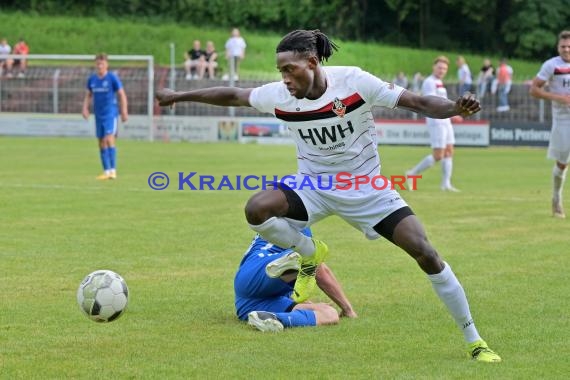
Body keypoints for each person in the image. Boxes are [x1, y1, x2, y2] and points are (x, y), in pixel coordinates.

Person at [156, 29, 501, 362]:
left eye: (289, 69)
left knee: (426, 252)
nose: (285, 78)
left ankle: (474, 340)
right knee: (257, 209)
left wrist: (456, 107)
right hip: (313, 187)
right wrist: (176, 97)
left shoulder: (353, 82)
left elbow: (418, 101)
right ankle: (309, 253)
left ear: (311, 62)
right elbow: (232, 95)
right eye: (280, 71)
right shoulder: (280, 95)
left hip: (366, 188)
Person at [235, 228, 357, 332]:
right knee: (309, 256)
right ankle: (290, 262)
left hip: (250, 304)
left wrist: (308, 303)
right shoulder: (296, 220)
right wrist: (348, 309)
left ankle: (272, 318)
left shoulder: (276, 220)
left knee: (329, 314)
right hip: (256, 270)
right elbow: (321, 272)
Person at [529, 30, 570, 218]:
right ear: (558, 47)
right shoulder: (551, 65)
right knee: (562, 164)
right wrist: (558, 98)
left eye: (569, 46)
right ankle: (556, 198)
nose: (567, 49)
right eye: (563, 46)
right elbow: (534, 89)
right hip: (563, 120)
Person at [406, 56, 460, 192]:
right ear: (434, 67)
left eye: (445, 68)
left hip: (445, 120)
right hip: (436, 121)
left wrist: (452, 114)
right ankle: (412, 173)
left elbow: (443, 102)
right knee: (438, 155)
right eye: (440, 67)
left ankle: (445, 184)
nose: (442, 70)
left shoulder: (439, 82)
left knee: (449, 151)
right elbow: (431, 102)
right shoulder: (429, 82)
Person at [82, 53, 128, 180]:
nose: (100, 66)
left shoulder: (112, 78)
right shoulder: (92, 80)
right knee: (101, 142)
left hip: (110, 114)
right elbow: (88, 95)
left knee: (109, 139)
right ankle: (106, 171)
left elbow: (122, 94)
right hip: (98, 115)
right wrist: (85, 108)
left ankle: (113, 170)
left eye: (102, 63)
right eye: (98, 64)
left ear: (106, 64)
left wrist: (124, 111)